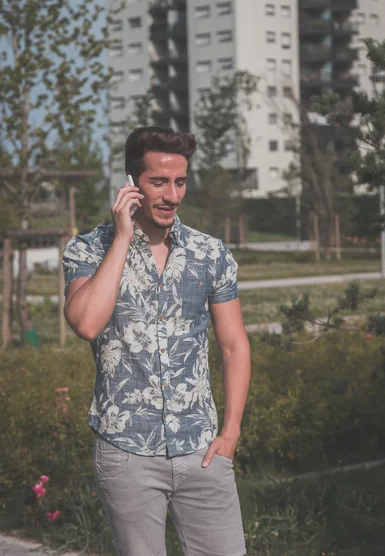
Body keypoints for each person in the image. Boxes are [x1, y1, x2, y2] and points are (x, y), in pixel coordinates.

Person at [62, 126, 251, 556]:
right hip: (126, 452)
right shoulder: (88, 250)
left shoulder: (211, 254)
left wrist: (231, 432)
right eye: (158, 182)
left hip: (203, 448)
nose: (172, 195)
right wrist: (123, 238)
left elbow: (234, 345)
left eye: (180, 182)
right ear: (131, 184)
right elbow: (86, 323)